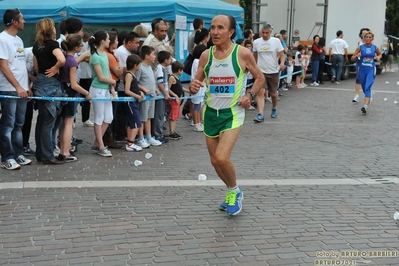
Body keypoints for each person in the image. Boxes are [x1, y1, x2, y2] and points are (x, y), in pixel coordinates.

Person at [190, 15, 265, 216]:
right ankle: (232, 191)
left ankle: (234, 191)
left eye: (221, 28)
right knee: (215, 161)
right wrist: (194, 85)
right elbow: (196, 82)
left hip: (232, 113)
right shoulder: (206, 55)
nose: (215, 32)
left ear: (231, 32)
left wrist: (249, 95)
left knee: (222, 157)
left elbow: (260, 78)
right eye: (213, 28)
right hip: (210, 114)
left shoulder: (242, 53)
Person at [0, 8, 32, 170]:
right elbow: (4, 66)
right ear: (14, 21)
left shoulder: (18, 40)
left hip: (22, 89)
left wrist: (27, 86)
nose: (24, 21)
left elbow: (21, 65)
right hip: (9, 89)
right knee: (8, 124)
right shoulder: (2, 39)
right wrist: (18, 86)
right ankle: (7, 157)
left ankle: (18, 153)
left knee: (19, 123)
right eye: (22, 18)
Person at [32, 18, 66, 165]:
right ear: (51, 29)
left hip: (39, 82)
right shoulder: (53, 44)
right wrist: (56, 67)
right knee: (48, 121)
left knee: (41, 120)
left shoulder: (36, 46)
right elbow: (62, 59)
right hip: (51, 84)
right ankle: (47, 155)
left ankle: (40, 152)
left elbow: (36, 67)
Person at [58, 34, 93, 162]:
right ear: (77, 47)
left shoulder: (65, 57)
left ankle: (63, 150)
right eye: (81, 45)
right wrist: (87, 93)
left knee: (63, 123)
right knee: (68, 123)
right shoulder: (72, 61)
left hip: (63, 91)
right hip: (70, 93)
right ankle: (66, 152)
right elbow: (74, 84)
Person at [88, 30, 117, 157]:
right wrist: (112, 82)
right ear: (102, 41)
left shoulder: (104, 55)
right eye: (108, 39)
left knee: (108, 117)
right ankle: (100, 145)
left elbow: (108, 72)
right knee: (99, 118)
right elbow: (100, 76)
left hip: (106, 89)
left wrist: (111, 86)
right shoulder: (95, 56)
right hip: (98, 89)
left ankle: (97, 143)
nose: (109, 40)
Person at [253, 23, 285, 122]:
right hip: (261, 72)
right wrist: (254, 67)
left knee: (273, 93)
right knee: (261, 92)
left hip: (273, 71)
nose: (265, 34)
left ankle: (274, 108)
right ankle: (260, 114)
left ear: (270, 32)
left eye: (267, 33)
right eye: (263, 32)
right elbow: (255, 56)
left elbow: (281, 54)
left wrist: (282, 63)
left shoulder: (276, 41)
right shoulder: (257, 42)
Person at [135, 45, 162, 148]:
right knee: (143, 118)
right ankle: (141, 138)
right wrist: (143, 89)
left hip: (152, 96)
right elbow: (135, 82)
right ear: (146, 56)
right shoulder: (140, 67)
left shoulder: (150, 67)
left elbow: (151, 80)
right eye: (153, 54)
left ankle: (148, 136)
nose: (155, 56)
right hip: (145, 97)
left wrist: (154, 88)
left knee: (149, 117)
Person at [351, 31, 381, 114]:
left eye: (370, 37)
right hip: (362, 70)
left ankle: (365, 106)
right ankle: (368, 96)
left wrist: (378, 57)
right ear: (364, 38)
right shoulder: (360, 47)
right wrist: (357, 56)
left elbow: (380, 54)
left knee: (367, 87)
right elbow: (352, 58)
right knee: (364, 88)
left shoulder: (375, 47)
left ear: (372, 39)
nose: (368, 39)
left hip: (371, 69)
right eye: (366, 37)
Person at [123, 54, 144, 152]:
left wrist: (140, 92)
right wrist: (137, 96)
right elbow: (127, 90)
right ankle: (130, 143)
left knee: (131, 122)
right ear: (135, 65)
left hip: (133, 101)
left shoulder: (132, 75)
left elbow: (134, 88)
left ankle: (129, 141)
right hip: (130, 102)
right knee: (136, 122)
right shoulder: (129, 75)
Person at [153, 50, 172, 143]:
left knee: (160, 115)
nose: (171, 60)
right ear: (165, 60)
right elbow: (160, 83)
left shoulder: (161, 68)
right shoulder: (160, 69)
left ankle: (158, 133)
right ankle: (158, 134)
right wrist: (165, 94)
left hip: (161, 95)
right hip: (160, 95)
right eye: (169, 58)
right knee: (159, 115)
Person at [168, 61, 189, 140]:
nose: (182, 72)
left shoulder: (177, 78)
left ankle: (173, 131)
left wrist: (188, 91)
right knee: (173, 116)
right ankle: (171, 132)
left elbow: (180, 88)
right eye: (182, 70)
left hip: (177, 100)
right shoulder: (172, 77)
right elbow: (168, 89)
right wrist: (175, 95)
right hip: (173, 100)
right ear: (179, 70)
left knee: (175, 116)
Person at [191, 44, 207, 132]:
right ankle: (196, 123)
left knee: (201, 104)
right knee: (196, 105)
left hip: (202, 86)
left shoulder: (199, 61)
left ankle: (200, 121)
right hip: (197, 85)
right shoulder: (196, 61)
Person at [352, 28, 370, 103]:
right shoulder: (360, 43)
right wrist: (357, 55)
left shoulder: (370, 44)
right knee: (358, 78)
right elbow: (355, 53)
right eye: (363, 33)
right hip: (360, 62)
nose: (364, 34)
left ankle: (368, 94)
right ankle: (356, 95)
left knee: (366, 79)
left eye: (366, 33)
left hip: (368, 62)